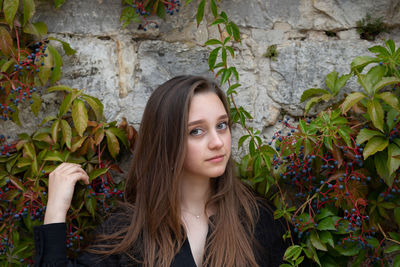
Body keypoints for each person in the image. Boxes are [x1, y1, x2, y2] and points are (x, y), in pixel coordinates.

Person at [34, 75, 290, 267]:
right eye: (196, 131)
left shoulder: (257, 218)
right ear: (166, 140)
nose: (217, 142)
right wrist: (55, 210)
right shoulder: (131, 230)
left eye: (222, 125)